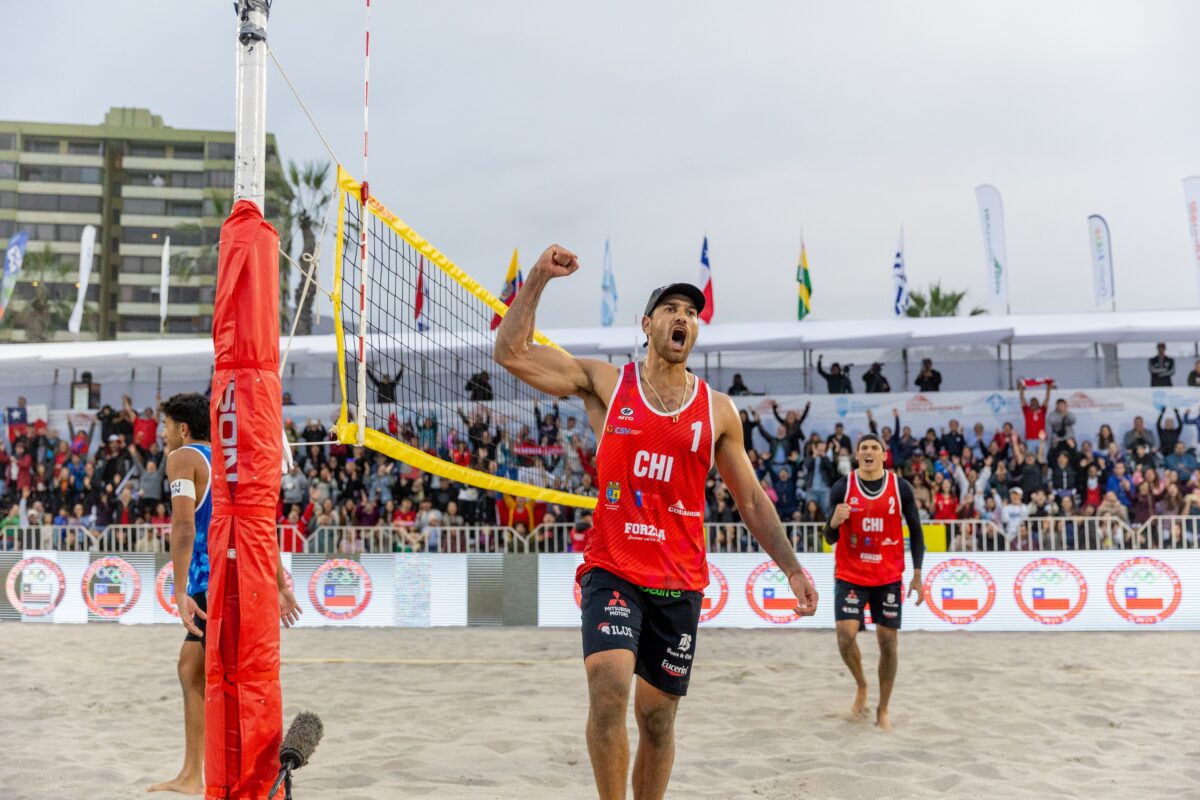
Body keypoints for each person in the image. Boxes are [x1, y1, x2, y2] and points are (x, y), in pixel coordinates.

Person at [494, 245, 818, 800]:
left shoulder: (717, 410)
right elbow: (511, 351)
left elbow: (752, 501)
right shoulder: (605, 383)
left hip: (677, 581)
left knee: (658, 721)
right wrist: (541, 278)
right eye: (671, 309)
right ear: (647, 325)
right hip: (613, 569)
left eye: (691, 313)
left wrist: (791, 568)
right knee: (609, 687)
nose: (683, 319)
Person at [148, 393, 301, 795]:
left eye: (165, 426)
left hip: (210, 581)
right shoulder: (232, 459)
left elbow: (183, 526)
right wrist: (279, 582)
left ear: (182, 428)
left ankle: (200, 775)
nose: (161, 434)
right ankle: (195, 772)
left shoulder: (183, 458)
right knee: (194, 669)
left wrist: (179, 590)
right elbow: (259, 521)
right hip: (243, 575)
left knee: (209, 674)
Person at [823, 434, 925, 731]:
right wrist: (833, 521)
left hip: (888, 575)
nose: (868, 452)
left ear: (884, 455)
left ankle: (883, 709)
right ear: (857, 455)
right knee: (845, 635)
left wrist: (917, 574)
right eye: (864, 448)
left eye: (874, 448)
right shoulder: (843, 487)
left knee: (888, 642)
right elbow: (828, 537)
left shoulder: (900, 487)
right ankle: (861, 684)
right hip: (851, 574)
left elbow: (916, 531)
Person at [1018, 381, 1052, 449]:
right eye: (1032, 402)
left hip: (1042, 440)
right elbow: (1022, 398)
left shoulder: (1042, 410)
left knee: (1042, 458)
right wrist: (1021, 387)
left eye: (1035, 402)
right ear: (1030, 404)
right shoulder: (1026, 411)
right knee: (1031, 458)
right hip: (1030, 440)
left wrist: (1048, 386)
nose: (1034, 403)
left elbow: (1047, 398)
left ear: (1038, 404)